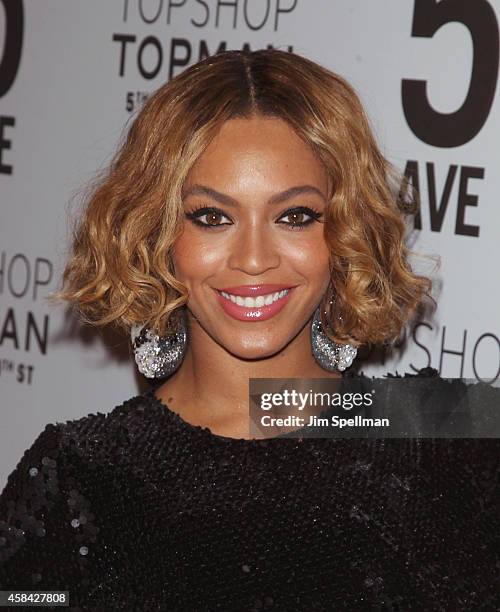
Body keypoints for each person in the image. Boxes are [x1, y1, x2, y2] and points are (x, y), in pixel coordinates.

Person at [0, 49, 498, 610]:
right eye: (211, 217)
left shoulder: (455, 442)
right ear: (155, 235)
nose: (255, 258)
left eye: (295, 216)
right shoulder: (78, 480)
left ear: (345, 233)